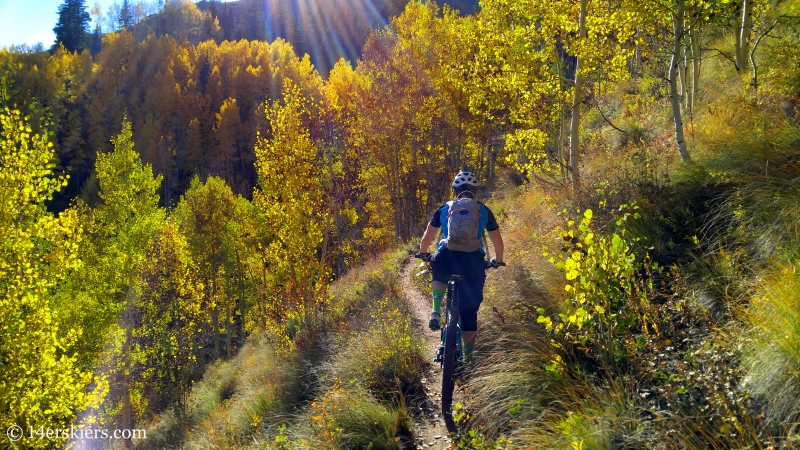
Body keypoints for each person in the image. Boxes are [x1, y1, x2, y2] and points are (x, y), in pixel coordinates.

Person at [417, 171, 504, 363]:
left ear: (455, 191)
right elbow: (497, 242)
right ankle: (470, 359)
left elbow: (427, 238)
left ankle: (436, 310)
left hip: (446, 257)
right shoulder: (483, 210)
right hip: (473, 262)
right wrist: (497, 260)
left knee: (438, 270)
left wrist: (424, 253)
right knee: (469, 313)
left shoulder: (445, 208)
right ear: (475, 191)